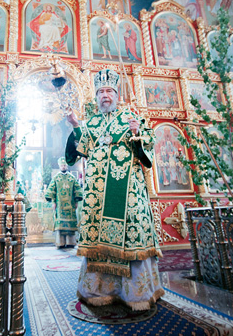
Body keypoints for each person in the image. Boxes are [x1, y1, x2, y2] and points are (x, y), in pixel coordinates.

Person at [65, 68, 163, 311]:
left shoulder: (132, 117)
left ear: (117, 94)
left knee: (130, 233)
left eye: (109, 91)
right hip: (98, 195)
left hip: (129, 192)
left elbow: (147, 152)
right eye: (100, 92)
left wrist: (137, 133)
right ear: (96, 97)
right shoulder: (93, 123)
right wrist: (76, 125)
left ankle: (134, 293)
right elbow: (82, 150)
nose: (104, 96)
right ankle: (98, 290)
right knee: (98, 237)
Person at [45, 157, 83, 249]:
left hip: (70, 205)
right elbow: (51, 190)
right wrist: (53, 202)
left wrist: (77, 201)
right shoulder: (56, 178)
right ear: (59, 166)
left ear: (67, 166)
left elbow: (77, 190)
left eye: (65, 165)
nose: (63, 166)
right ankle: (60, 243)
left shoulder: (72, 178)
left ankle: (71, 242)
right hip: (59, 205)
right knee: (60, 226)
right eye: (62, 165)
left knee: (70, 225)